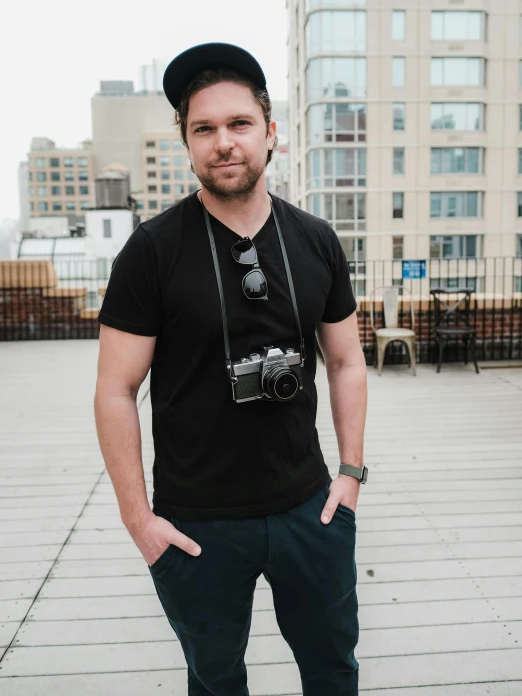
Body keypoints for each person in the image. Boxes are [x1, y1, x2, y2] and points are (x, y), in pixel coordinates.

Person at [94, 42, 368, 696]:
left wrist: (351, 473)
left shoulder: (316, 239)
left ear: (270, 133)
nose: (224, 141)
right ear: (187, 143)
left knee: (333, 671)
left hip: (311, 506)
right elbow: (115, 389)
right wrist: (142, 522)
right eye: (204, 128)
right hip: (194, 521)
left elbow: (347, 359)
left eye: (239, 123)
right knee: (215, 680)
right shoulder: (150, 251)